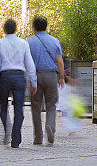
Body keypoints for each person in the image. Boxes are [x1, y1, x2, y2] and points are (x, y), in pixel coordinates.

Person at [0, 18, 37, 148]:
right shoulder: (23, 43)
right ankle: (16, 138)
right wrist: (33, 81)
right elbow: (29, 63)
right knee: (19, 108)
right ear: (15, 29)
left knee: (3, 106)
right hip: (19, 76)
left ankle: (7, 128)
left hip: (5, 76)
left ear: (4, 30)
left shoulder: (0, 43)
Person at [27, 15, 65, 146]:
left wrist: (28, 79)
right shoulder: (54, 41)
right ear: (46, 26)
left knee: (36, 106)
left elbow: (26, 62)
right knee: (51, 105)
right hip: (51, 76)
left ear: (34, 27)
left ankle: (38, 137)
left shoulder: (28, 42)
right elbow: (59, 61)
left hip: (35, 76)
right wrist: (61, 77)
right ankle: (50, 126)